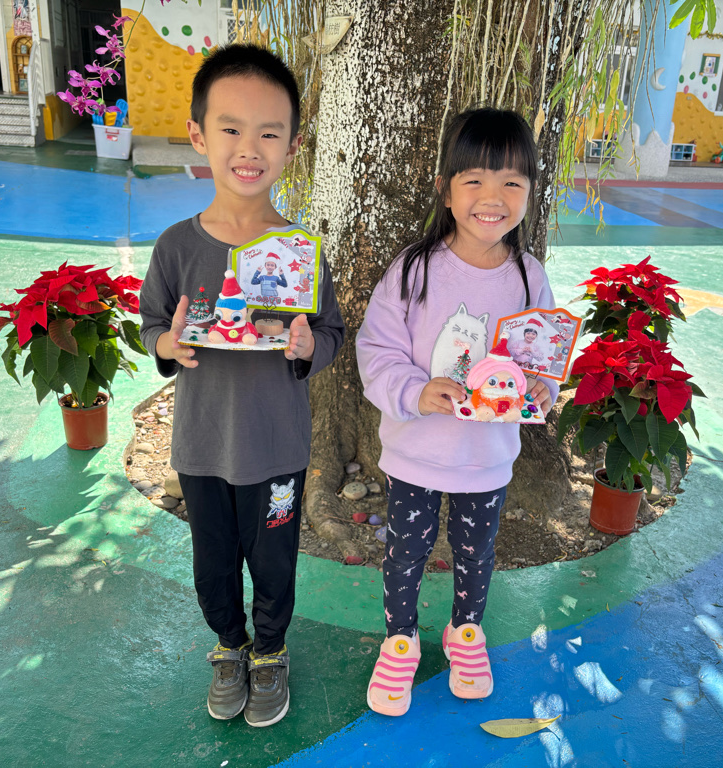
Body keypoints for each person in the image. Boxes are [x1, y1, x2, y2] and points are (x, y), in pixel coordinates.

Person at [138, 43, 344, 728]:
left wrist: (309, 346)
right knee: (213, 562)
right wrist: (167, 344)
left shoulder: (301, 251)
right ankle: (229, 644)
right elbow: (150, 325)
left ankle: (271, 650)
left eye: (269, 132)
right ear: (199, 134)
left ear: (293, 146)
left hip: (277, 447)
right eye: (230, 128)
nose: (248, 148)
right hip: (201, 446)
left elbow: (332, 332)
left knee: (275, 561)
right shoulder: (177, 246)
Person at [356, 107, 559, 716]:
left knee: (476, 553)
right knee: (405, 553)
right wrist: (415, 391)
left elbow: (542, 360)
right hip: (416, 454)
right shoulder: (414, 270)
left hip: (486, 459)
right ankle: (400, 640)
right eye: (475, 180)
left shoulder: (530, 277)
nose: (492, 198)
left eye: (511, 183)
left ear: (529, 193)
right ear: (447, 191)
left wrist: (541, 390)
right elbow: (376, 349)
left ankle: (465, 633)